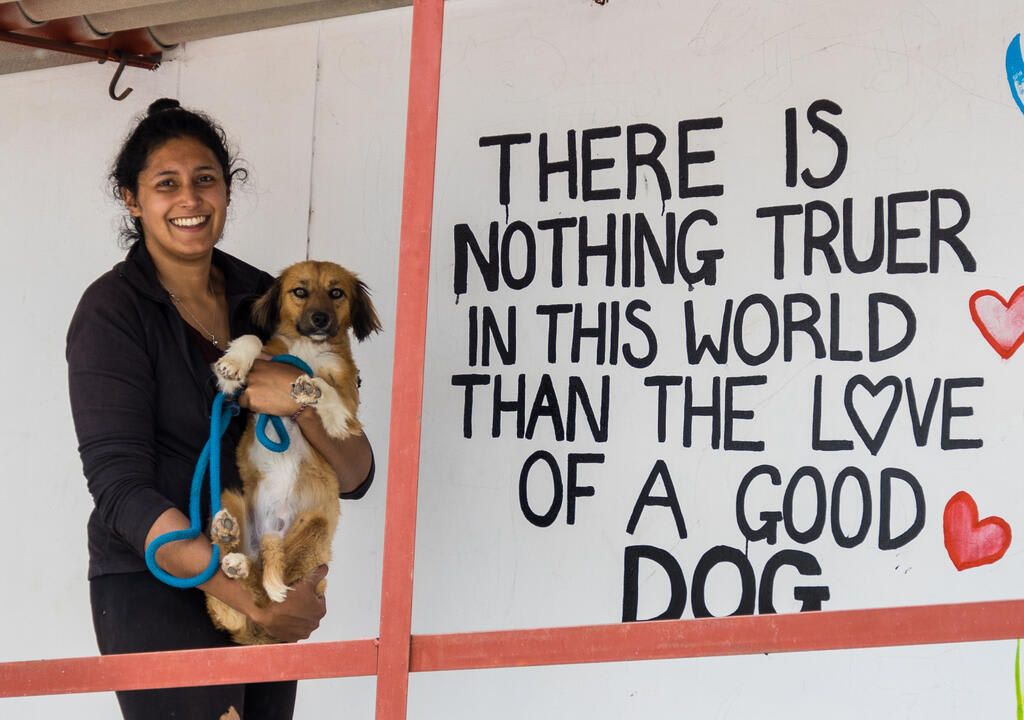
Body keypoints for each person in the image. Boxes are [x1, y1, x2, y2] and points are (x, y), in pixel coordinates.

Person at [66, 98, 374, 720]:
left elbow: (356, 473)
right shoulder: (111, 314)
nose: (190, 199)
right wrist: (251, 598)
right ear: (132, 199)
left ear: (227, 192)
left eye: (205, 180)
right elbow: (120, 489)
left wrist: (304, 404)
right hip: (159, 579)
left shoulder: (269, 298)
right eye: (166, 184)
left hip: (267, 563)